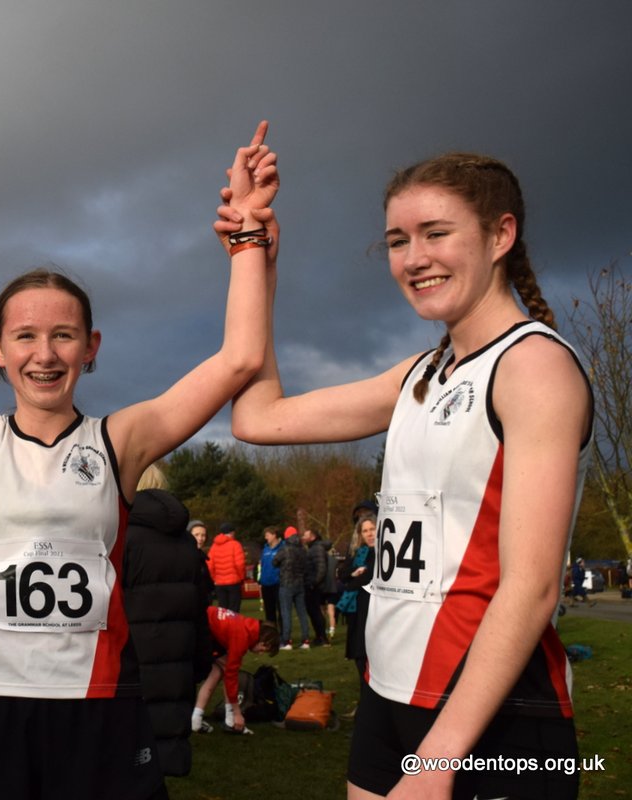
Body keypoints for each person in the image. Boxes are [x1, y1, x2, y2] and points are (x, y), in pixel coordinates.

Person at [0, 84, 276, 800]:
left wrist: (248, 237)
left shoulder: (123, 440)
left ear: (91, 348)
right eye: (25, 336)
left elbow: (238, 360)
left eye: (63, 335)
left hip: (97, 712)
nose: (43, 353)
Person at [230, 149, 592, 799]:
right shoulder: (419, 373)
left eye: (436, 233)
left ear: (500, 235)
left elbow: (533, 588)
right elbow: (259, 416)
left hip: (496, 716)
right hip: (389, 695)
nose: (413, 257)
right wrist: (254, 249)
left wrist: (438, 762)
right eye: (398, 240)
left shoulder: (533, 368)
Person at [122, 465, 213, 777]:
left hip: (131, 661)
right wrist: (201, 661)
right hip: (177, 660)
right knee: (160, 762)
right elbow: (200, 609)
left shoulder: (120, 537)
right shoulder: (187, 545)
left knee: (126, 759)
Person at [192, 607, 279, 734]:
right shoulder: (242, 637)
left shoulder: (248, 626)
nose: (260, 654)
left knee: (218, 671)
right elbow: (231, 677)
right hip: (201, 629)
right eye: (263, 650)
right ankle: (230, 719)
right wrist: (238, 712)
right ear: (263, 642)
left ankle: (197, 719)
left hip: (203, 625)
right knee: (227, 671)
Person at [336, 513, 377, 684]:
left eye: (372, 529)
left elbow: (370, 576)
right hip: (356, 610)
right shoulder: (360, 553)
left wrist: (353, 581)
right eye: (365, 531)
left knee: (372, 655)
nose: (369, 534)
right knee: (359, 655)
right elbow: (343, 573)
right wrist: (354, 574)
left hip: (373, 610)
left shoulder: (383, 552)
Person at [273, 526, 311, 649]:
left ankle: (286, 641)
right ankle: (306, 640)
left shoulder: (285, 549)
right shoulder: (303, 550)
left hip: (286, 584)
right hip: (300, 584)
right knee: (302, 613)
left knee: (286, 613)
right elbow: (306, 567)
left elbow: (274, 562)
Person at [207, 523, 246, 611]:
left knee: (223, 610)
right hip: (233, 582)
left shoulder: (214, 547)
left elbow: (210, 566)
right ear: (232, 533)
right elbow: (239, 564)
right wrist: (241, 577)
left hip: (219, 583)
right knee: (234, 610)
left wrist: (215, 578)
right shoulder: (235, 545)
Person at [257, 526, 283, 625]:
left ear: (274, 535)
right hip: (266, 584)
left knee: (281, 610)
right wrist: (260, 580)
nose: (265, 537)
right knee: (269, 612)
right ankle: (272, 633)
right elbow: (262, 566)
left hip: (278, 584)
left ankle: (283, 634)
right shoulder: (265, 549)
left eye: (267, 535)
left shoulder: (282, 548)